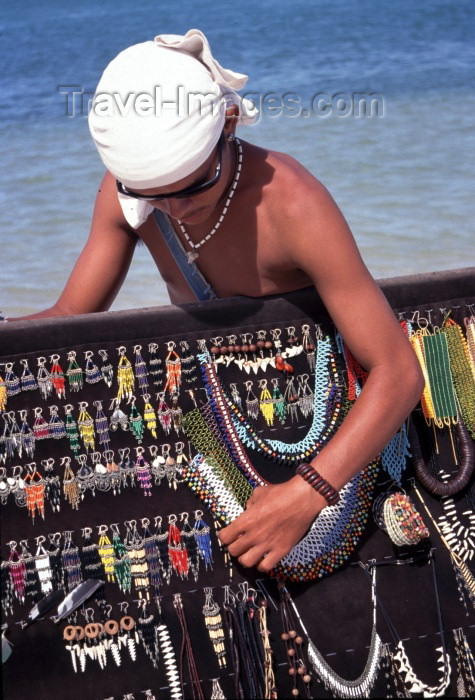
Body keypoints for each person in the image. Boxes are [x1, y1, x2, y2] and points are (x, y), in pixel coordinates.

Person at [7, 30, 424, 573]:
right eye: (154, 195)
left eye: (194, 186)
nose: (174, 210)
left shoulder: (292, 204)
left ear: (228, 124)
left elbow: (398, 370)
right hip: (215, 426)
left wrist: (307, 492)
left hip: (319, 433)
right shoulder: (128, 192)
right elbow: (68, 318)